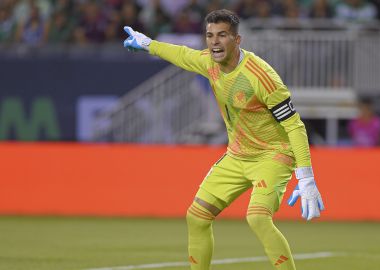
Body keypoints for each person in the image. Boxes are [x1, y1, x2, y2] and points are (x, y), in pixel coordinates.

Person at [123, 9, 324, 270]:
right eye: (209, 36)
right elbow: (183, 55)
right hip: (238, 154)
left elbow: (295, 126)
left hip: (273, 154)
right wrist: (149, 44)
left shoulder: (261, 77)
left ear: (237, 40)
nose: (214, 42)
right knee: (196, 217)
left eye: (222, 35)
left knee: (258, 219)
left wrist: (305, 176)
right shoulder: (209, 62)